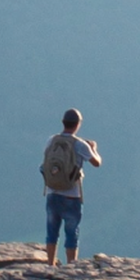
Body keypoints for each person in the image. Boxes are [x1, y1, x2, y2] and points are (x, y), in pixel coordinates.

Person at [41, 107, 101, 269]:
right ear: (78, 124)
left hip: (52, 192)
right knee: (71, 232)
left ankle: (50, 264)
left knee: (52, 231)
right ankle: (70, 268)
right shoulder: (80, 145)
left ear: (63, 122)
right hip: (72, 195)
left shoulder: (51, 140)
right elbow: (97, 163)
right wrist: (94, 148)